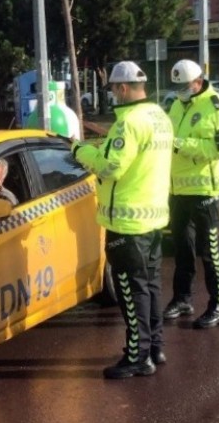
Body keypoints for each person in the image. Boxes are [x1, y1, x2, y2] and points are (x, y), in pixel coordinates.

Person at [70, 61, 173, 379]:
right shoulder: (159, 116)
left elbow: (111, 168)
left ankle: (137, 356)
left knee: (131, 291)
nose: (113, 95)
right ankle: (154, 348)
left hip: (127, 223)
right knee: (151, 286)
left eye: (114, 89)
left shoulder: (128, 123)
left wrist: (80, 152)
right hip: (153, 218)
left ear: (123, 88)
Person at [163, 59, 219, 329]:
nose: (180, 92)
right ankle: (182, 299)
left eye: (184, 87)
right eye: (177, 87)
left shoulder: (217, 107)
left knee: (210, 249)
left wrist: (179, 144)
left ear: (198, 82)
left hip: (205, 189)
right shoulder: (176, 105)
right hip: (178, 189)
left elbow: (218, 148)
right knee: (182, 248)